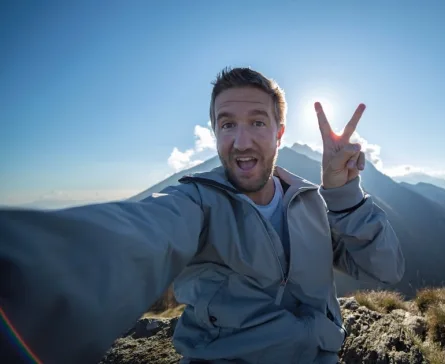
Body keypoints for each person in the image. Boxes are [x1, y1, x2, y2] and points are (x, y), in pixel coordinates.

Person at [0, 67, 405, 364]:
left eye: (257, 123)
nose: (241, 141)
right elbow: (132, 236)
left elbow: (385, 269)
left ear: (279, 133)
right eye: (227, 124)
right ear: (214, 131)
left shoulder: (314, 203)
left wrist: (343, 193)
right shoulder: (194, 202)